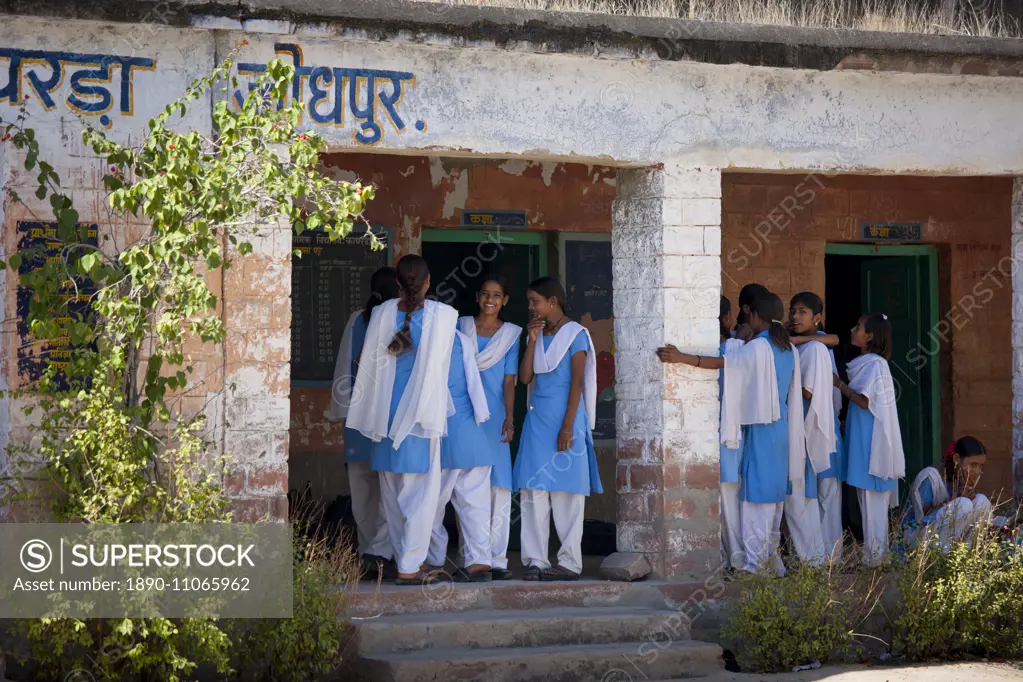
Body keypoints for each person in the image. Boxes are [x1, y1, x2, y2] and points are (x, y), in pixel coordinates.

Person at [658, 291, 804, 576]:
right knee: (773, 497)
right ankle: (771, 561)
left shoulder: (759, 347)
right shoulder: (788, 349)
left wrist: (680, 357)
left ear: (755, 316)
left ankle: (755, 565)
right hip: (782, 428)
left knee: (755, 496)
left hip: (761, 429)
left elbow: (723, 364)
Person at [346, 254, 459, 585]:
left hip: (383, 418)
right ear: (428, 282)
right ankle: (411, 565)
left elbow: (365, 363)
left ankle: (406, 561)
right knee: (421, 497)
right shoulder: (444, 316)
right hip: (420, 420)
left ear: (397, 283)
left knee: (393, 497)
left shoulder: (381, 314)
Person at [514, 276, 602, 581]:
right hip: (538, 421)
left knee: (567, 492)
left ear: (553, 302)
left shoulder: (575, 334)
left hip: (567, 420)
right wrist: (533, 341)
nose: (530, 307)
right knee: (534, 490)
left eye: (534, 301)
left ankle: (569, 563)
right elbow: (525, 378)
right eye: (529, 301)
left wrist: (567, 428)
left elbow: (577, 383)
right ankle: (536, 561)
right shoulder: (535, 334)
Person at [326, 266, 399, 579]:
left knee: (362, 494)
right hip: (390, 422)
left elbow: (344, 368)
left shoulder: (358, 320)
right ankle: (382, 553)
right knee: (391, 492)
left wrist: (339, 412)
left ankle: (369, 551)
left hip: (357, 422)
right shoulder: (401, 320)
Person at [457, 276, 521, 581]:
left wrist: (509, 418)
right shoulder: (461, 327)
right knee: (467, 487)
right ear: (477, 297)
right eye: (485, 294)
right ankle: (471, 556)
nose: (490, 300)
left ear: (505, 300)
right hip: (465, 415)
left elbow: (510, 380)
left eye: (497, 295)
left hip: (495, 416)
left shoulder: (511, 335)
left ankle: (497, 559)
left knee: (497, 487)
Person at [834, 313, 905, 567]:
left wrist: (839, 385)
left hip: (872, 442)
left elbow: (865, 401)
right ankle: (873, 557)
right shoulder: (869, 363)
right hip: (864, 438)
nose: (853, 330)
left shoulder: (875, 364)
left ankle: (876, 558)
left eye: (858, 327)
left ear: (870, 336)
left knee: (873, 501)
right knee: (868, 500)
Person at [425, 327, 495, 582]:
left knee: (430, 504)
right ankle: (479, 562)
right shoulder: (460, 339)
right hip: (473, 434)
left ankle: (432, 560)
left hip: (443, 436)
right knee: (475, 506)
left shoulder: (422, 337)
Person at [785, 292, 837, 565]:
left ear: (817, 318)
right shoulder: (801, 347)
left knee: (803, 497)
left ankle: (814, 561)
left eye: (802, 312)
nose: (795, 316)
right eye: (793, 311)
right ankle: (810, 559)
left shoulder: (814, 349)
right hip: (795, 430)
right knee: (802, 497)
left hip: (805, 430)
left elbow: (808, 392)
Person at [903, 436, 992, 552]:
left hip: (943, 535)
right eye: (973, 464)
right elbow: (922, 518)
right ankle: (942, 560)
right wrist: (957, 498)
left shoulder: (962, 479)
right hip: (917, 536)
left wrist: (967, 492)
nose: (977, 471)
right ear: (956, 459)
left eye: (981, 466)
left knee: (982, 501)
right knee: (963, 504)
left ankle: (965, 555)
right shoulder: (930, 477)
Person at [718, 295, 746, 570]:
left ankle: (727, 557)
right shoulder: (737, 349)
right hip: (733, 434)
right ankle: (736, 557)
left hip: (716, 432)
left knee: (724, 496)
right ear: (727, 318)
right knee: (732, 497)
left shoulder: (724, 350)